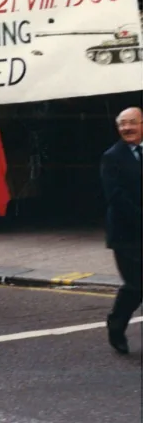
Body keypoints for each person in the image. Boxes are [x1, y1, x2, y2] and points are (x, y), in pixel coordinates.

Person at [100, 106, 142, 355]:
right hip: (127, 234)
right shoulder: (112, 157)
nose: (127, 128)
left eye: (132, 123)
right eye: (122, 124)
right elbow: (116, 197)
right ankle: (116, 326)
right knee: (136, 286)